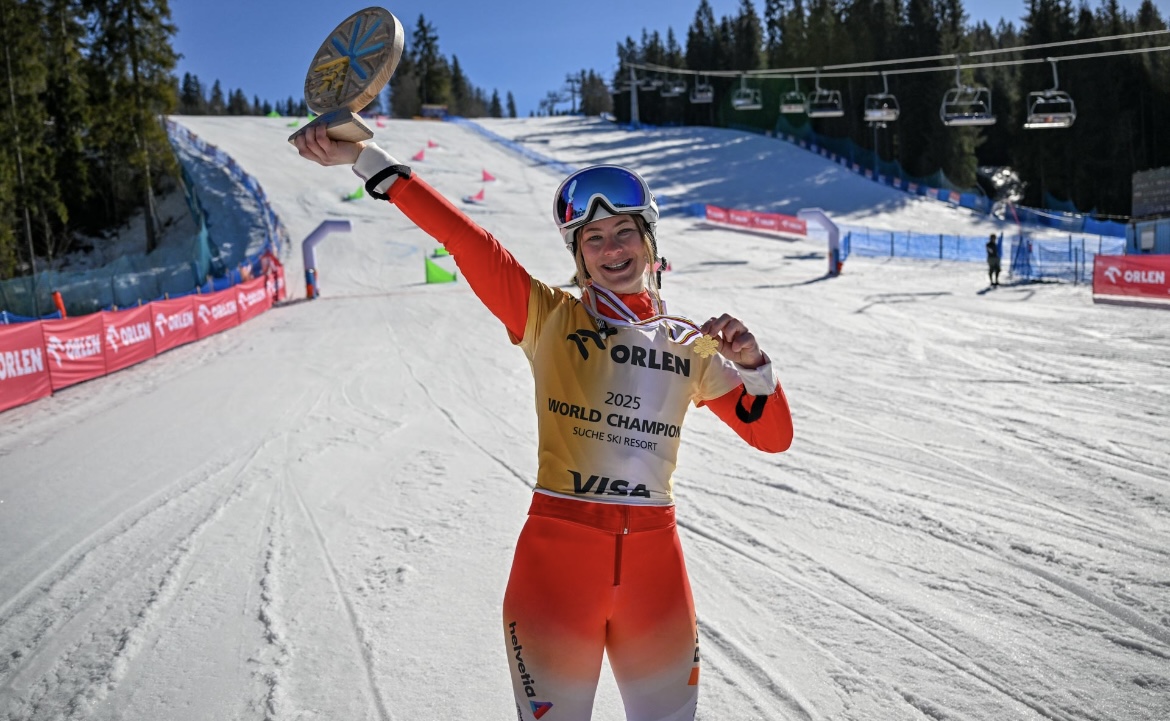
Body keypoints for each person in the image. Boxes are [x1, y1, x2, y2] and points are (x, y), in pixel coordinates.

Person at [294, 124, 794, 721]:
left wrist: (754, 367)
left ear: (649, 241)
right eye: (595, 239)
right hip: (557, 573)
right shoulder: (548, 316)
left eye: (625, 233)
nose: (612, 249)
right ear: (579, 256)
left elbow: (773, 437)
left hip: (655, 575)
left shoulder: (691, 345)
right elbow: (465, 239)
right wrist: (368, 159)